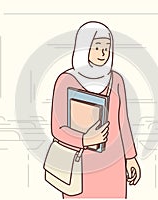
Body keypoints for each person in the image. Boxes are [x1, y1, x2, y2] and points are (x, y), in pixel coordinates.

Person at [51, 21, 140, 198]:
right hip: (80, 164)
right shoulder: (66, 81)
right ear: (84, 47)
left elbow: (123, 123)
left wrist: (130, 157)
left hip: (113, 166)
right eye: (97, 46)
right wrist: (85, 139)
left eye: (107, 47)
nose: (103, 52)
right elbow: (57, 128)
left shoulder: (116, 80)